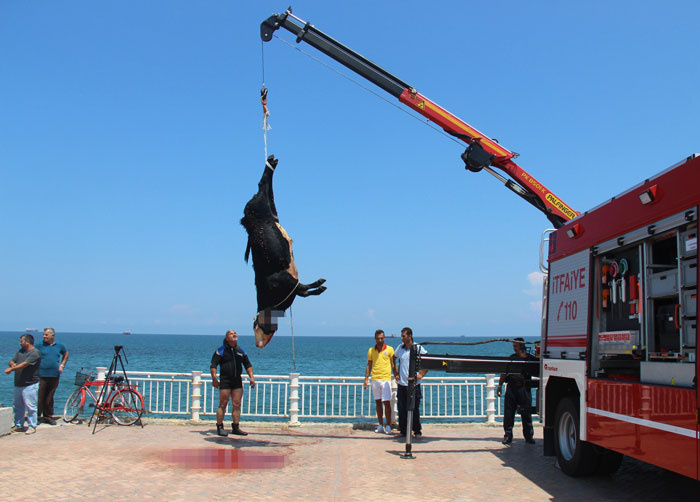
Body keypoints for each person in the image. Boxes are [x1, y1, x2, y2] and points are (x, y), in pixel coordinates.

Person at [210, 329, 256, 437]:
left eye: (235, 333)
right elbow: (213, 365)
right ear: (227, 338)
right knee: (223, 404)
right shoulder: (220, 350)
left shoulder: (241, 350)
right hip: (225, 380)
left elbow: (248, 365)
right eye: (231, 333)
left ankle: (235, 427)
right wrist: (214, 378)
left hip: (237, 381)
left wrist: (252, 377)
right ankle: (220, 427)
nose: (234, 334)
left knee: (237, 404)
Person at [497, 337, 537, 445]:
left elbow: (538, 369)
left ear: (522, 346)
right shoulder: (512, 358)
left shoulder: (530, 358)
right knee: (509, 413)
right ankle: (508, 435)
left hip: (524, 388)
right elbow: (504, 373)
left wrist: (526, 359)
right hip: (511, 387)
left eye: (516, 346)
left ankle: (529, 436)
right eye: (513, 346)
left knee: (526, 413)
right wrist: (499, 386)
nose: (514, 348)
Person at [394, 327, 428, 438]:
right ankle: (403, 431)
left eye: (403, 336)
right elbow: (393, 359)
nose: (402, 338)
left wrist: (421, 374)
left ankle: (417, 430)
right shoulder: (400, 348)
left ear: (410, 336)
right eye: (401, 336)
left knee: (415, 408)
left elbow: (428, 360)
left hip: (414, 384)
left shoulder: (417, 347)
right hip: (402, 384)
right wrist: (396, 373)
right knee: (402, 408)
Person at [4, 334, 41, 434]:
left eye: (21, 341)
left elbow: (24, 364)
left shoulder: (35, 353)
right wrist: (12, 364)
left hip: (30, 384)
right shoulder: (20, 351)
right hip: (18, 383)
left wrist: (11, 369)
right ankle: (18, 425)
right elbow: (13, 360)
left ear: (27, 342)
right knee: (17, 406)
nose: (20, 343)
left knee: (31, 406)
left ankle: (32, 426)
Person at [363, 329, 397, 434]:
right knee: (378, 403)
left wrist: (397, 375)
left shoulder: (390, 349)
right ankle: (380, 424)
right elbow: (369, 365)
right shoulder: (371, 350)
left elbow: (393, 364)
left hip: (386, 379)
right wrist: (366, 379)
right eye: (378, 338)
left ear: (384, 338)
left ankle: (388, 425)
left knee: (386, 403)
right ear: (375, 338)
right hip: (375, 379)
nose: (380, 340)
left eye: (382, 338)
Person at [36, 327, 69, 425]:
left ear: (52, 335)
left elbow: (66, 354)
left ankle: (48, 416)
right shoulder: (39, 345)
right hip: (41, 374)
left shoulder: (59, 345)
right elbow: (32, 353)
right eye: (44, 334)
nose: (44, 336)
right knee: (40, 396)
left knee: (50, 396)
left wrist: (62, 365)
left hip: (54, 375)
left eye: (46, 335)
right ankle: (37, 416)